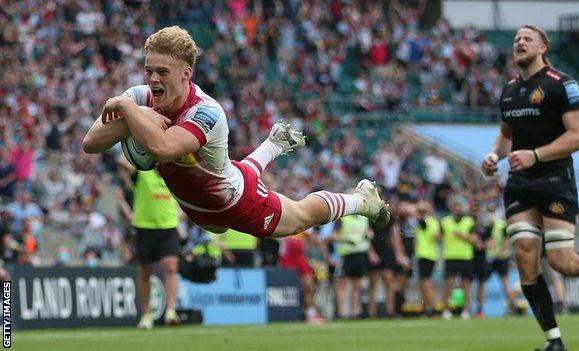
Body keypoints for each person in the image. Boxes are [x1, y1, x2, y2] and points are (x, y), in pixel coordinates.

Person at [81, 26, 390, 240]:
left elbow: (161, 148)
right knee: (222, 198)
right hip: (200, 206)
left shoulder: (205, 112)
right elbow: (91, 142)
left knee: (301, 216)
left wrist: (125, 108)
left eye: (162, 72)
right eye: (149, 70)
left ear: (186, 73)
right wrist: (133, 115)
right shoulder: (141, 98)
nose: (152, 79)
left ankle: (361, 201)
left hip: (236, 202)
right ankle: (274, 143)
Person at [481, 25, 579, 351]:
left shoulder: (563, 85)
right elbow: (506, 134)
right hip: (519, 187)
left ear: (543, 47)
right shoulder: (510, 90)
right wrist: (493, 155)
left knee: (562, 261)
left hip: (555, 183)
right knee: (525, 257)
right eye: (517, 38)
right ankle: (554, 341)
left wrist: (534, 155)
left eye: (527, 38)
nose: (519, 41)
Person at [117, 156, 181, 329]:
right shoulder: (142, 173)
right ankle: (146, 315)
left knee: (171, 266)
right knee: (146, 272)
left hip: (169, 227)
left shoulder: (174, 177)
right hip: (145, 228)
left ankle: (170, 311)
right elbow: (122, 161)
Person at [441, 195, 478, 320]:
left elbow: (474, 240)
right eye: (455, 206)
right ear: (451, 207)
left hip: (465, 257)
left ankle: (466, 311)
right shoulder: (445, 221)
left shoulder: (470, 221)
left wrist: (462, 236)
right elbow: (438, 237)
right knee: (448, 284)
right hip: (450, 256)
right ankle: (446, 310)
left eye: (459, 206)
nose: (457, 208)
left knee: (466, 284)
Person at [331, 214, 372, 319]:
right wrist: (347, 239)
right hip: (346, 255)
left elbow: (370, 233)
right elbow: (333, 235)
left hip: (360, 254)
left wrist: (368, 235)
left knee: (357, 285)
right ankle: (340, 313)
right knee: (342, 284)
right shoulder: (343, 218)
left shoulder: (364, 218)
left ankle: (353, 313)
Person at [414, 200, 441, 316]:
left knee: (425, 282)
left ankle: (434, 306)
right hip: (429, 254)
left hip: (425, 254)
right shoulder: (433, 222)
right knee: (423, 282)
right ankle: (425, 308)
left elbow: (436, 237)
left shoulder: (426, 221)